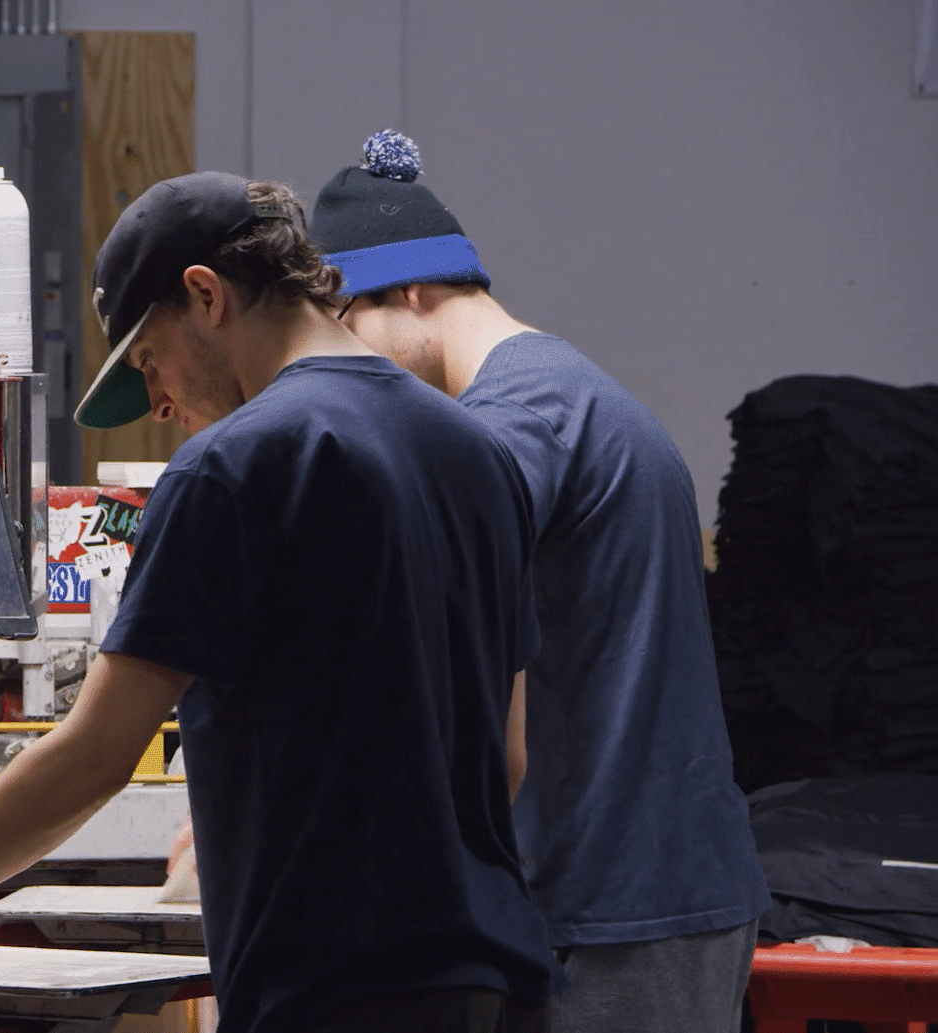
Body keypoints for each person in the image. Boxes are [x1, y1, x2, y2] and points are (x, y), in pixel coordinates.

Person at [0, 170, 561, 1033]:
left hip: (340, 991)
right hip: (499, 984)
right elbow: (506, 756)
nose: (162, 402)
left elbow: (94, 757)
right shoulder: (480, 454)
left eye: (149, 362)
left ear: (207, 295)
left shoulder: (233, 467)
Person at [310, 129, 770, 1033]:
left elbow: (436, 647)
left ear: (412, 290)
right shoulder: (567, 391)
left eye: (349, 331)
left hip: (620, 909)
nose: (354, 371)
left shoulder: (512, 421)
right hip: (650, 886)